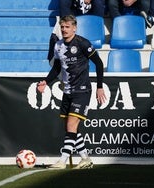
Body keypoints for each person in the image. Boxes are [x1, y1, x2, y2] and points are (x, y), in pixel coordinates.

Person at [37, 15, 106, 169]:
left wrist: (100, 86)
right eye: (62, 27)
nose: (64, 30)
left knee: (71, 125)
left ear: (74, 28)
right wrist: (46, 82)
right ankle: (85, 159)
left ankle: (61, 161)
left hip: (82, 91)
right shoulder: (58, 45)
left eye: (67, 27)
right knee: (71, 128)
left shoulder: (82, 43)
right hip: (67, 91)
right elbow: (56, 69)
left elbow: (99, 63)